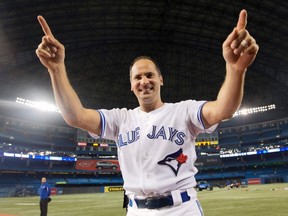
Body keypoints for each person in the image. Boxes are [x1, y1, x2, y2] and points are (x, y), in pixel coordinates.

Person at [36, 9, 258, 216]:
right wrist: (56, 70)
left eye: (150, 75)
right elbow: (75, 116)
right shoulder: (120, 119)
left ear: (160, 79)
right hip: (136, 210)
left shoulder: (183, 111)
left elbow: (223, 110)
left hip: (182, 209)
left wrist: (236, 69)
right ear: (131, 85)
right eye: (137, 77)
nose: (144, 81)